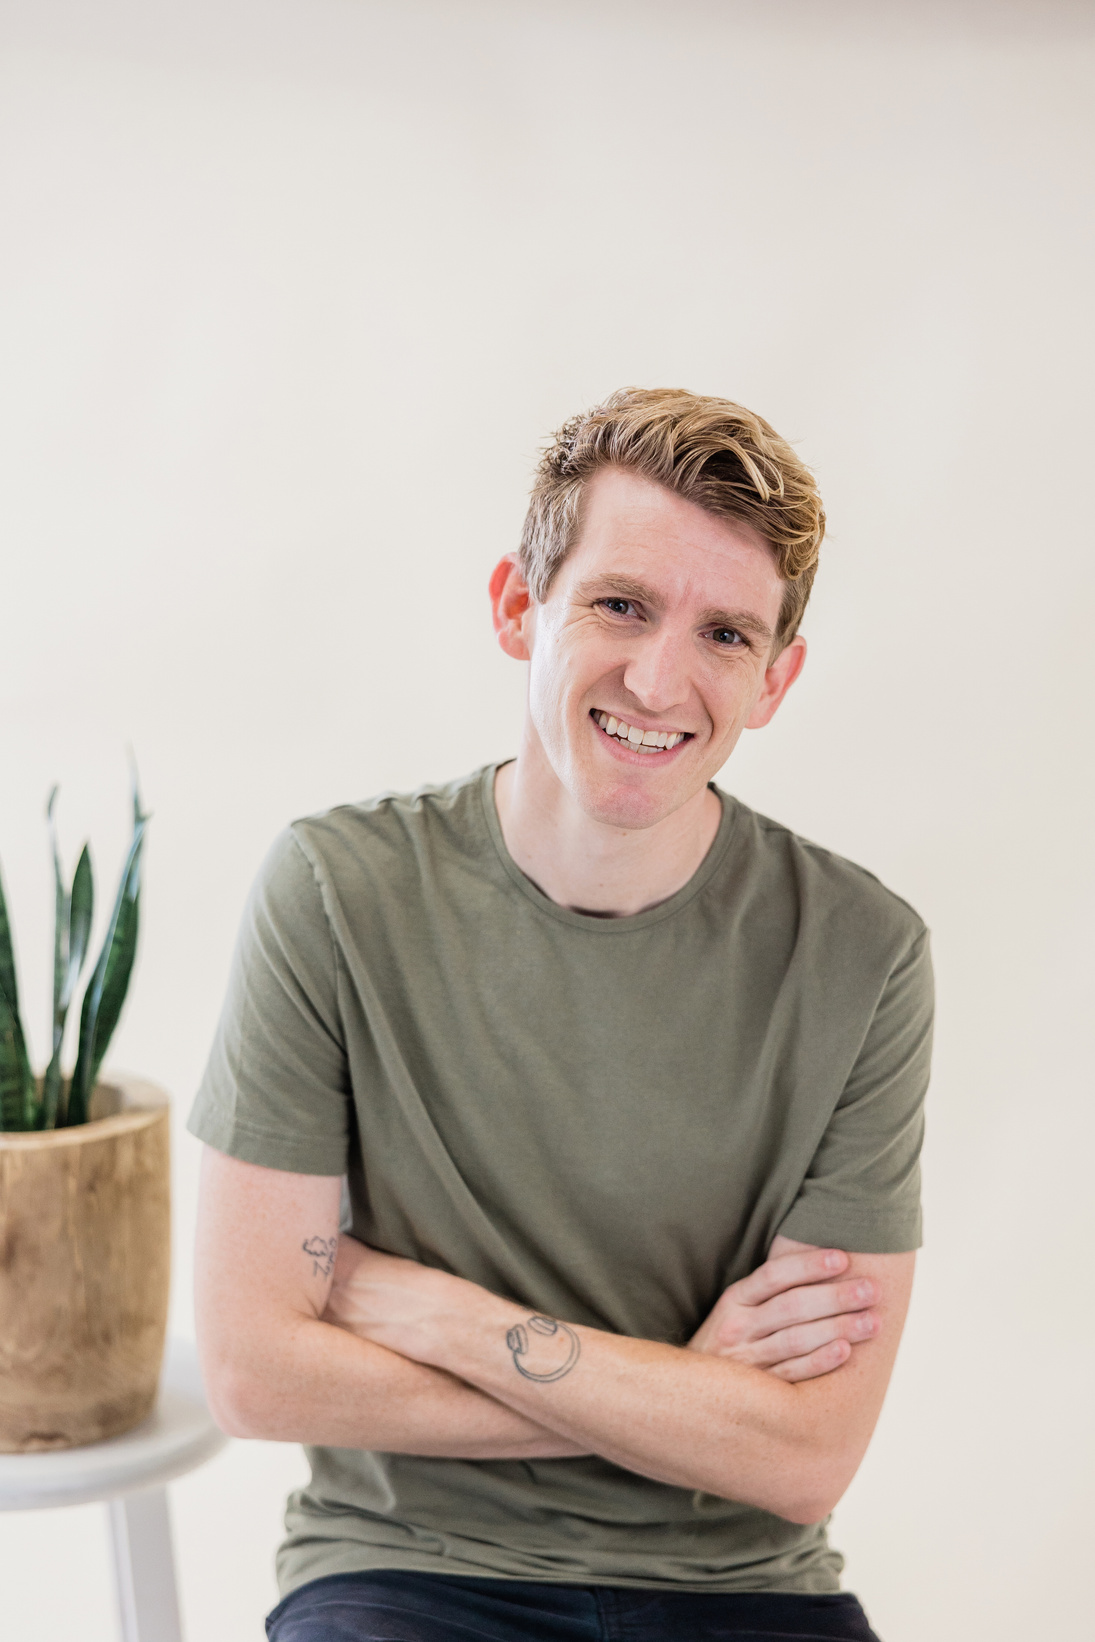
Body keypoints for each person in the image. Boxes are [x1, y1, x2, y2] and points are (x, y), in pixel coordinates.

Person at [190, 388, 933, 1642]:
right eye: (621, 604)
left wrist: (441, 1313)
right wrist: (697, 1396)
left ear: (778, 678)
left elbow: (806, 1458)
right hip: (408, 1571)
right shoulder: (335, 891)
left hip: (739, 1587)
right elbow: (257, 1372)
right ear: (517, 606)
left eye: (726, 636)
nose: (660, 677)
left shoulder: (864, 954)